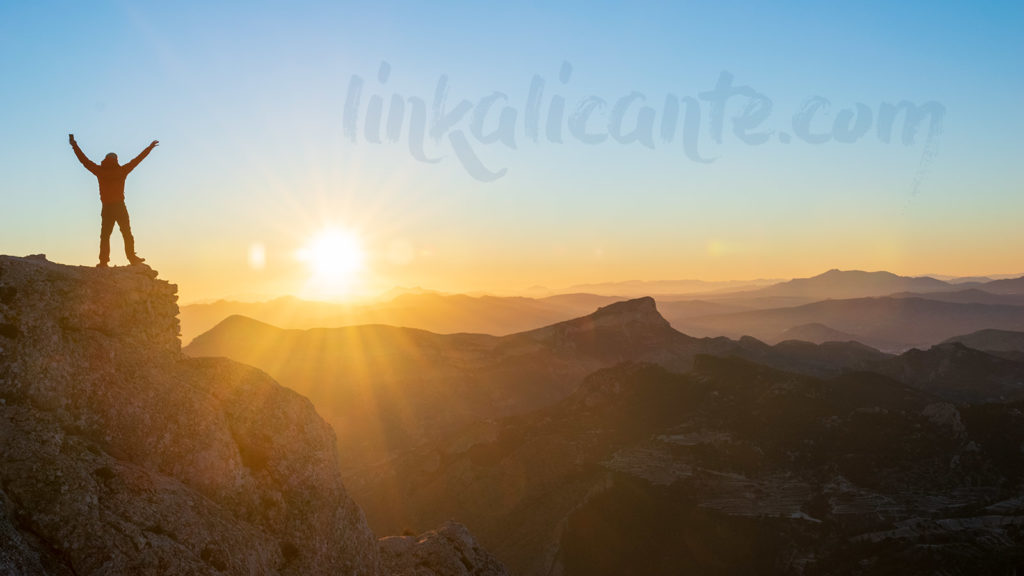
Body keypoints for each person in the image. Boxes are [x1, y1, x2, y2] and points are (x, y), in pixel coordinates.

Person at [69, 134, 158, 267]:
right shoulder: (122, 170)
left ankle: (103, 262)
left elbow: (84, 160)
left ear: (105, 159)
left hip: (107, 207)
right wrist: (149, 148)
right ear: (116, 159)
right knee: (127, 233)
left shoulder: (100, 171)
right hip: (120, 206)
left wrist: (74, 145)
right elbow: (137, 160)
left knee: (105, 236)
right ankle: (132, 258)